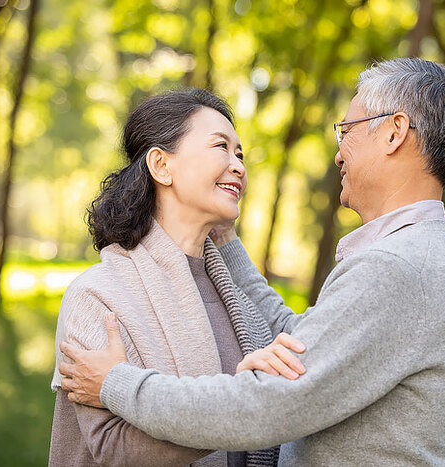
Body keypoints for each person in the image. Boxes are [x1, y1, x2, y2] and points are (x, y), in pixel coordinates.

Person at [60, 58, 445, 466]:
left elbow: (267, 406)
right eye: (221, 147)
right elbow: (312, 343)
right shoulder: (431, 254)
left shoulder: (396, 267)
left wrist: (117, 384)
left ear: (394, 133)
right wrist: (230, 249)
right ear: (160, 164)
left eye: (347, 131)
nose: (338, 154)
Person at [49, 88, 307, 467]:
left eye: (240, 154)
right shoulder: (98, 296)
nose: (238, 165)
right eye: (221, 146)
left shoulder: (241, 303)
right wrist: (243, 407)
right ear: (161, 165)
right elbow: (113, 447)